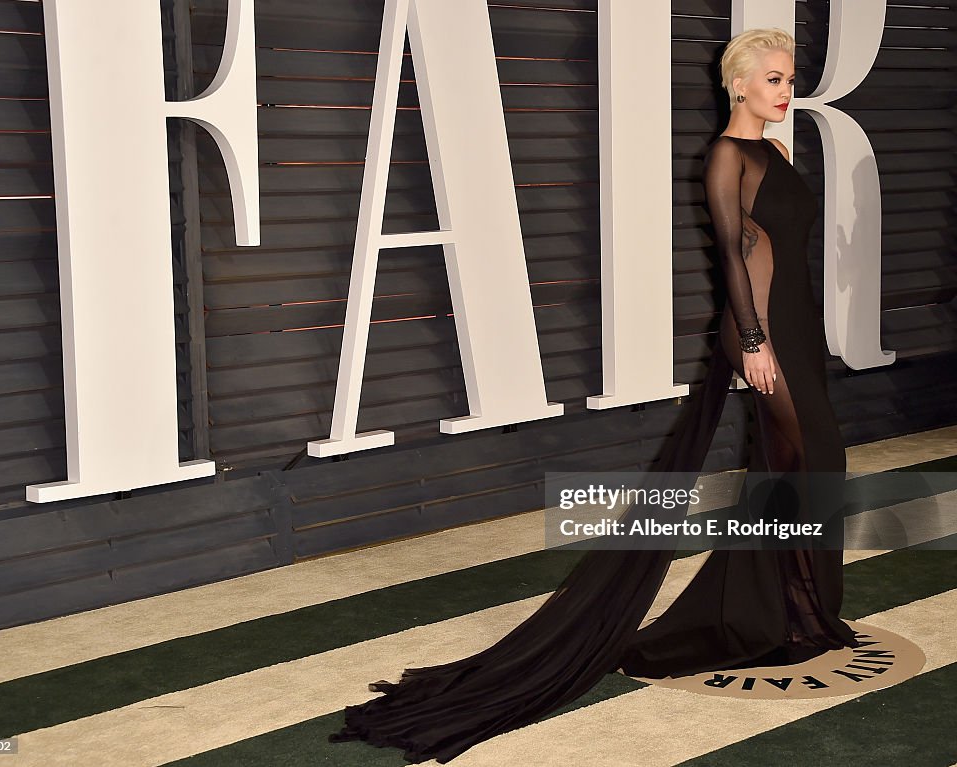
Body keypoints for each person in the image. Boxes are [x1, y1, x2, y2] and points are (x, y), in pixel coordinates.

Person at [327, 28, 860, 763]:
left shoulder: (778, 153)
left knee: (803, 470)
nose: (784, 89)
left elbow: (782, 251)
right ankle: (793, 614)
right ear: (738, 84)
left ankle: (798, 613)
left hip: (796, 329)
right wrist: (754, 340)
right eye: (771, 78)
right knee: (806, 462)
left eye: (788, 78)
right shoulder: (728, 156)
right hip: (764, 333)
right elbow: (732, 255)